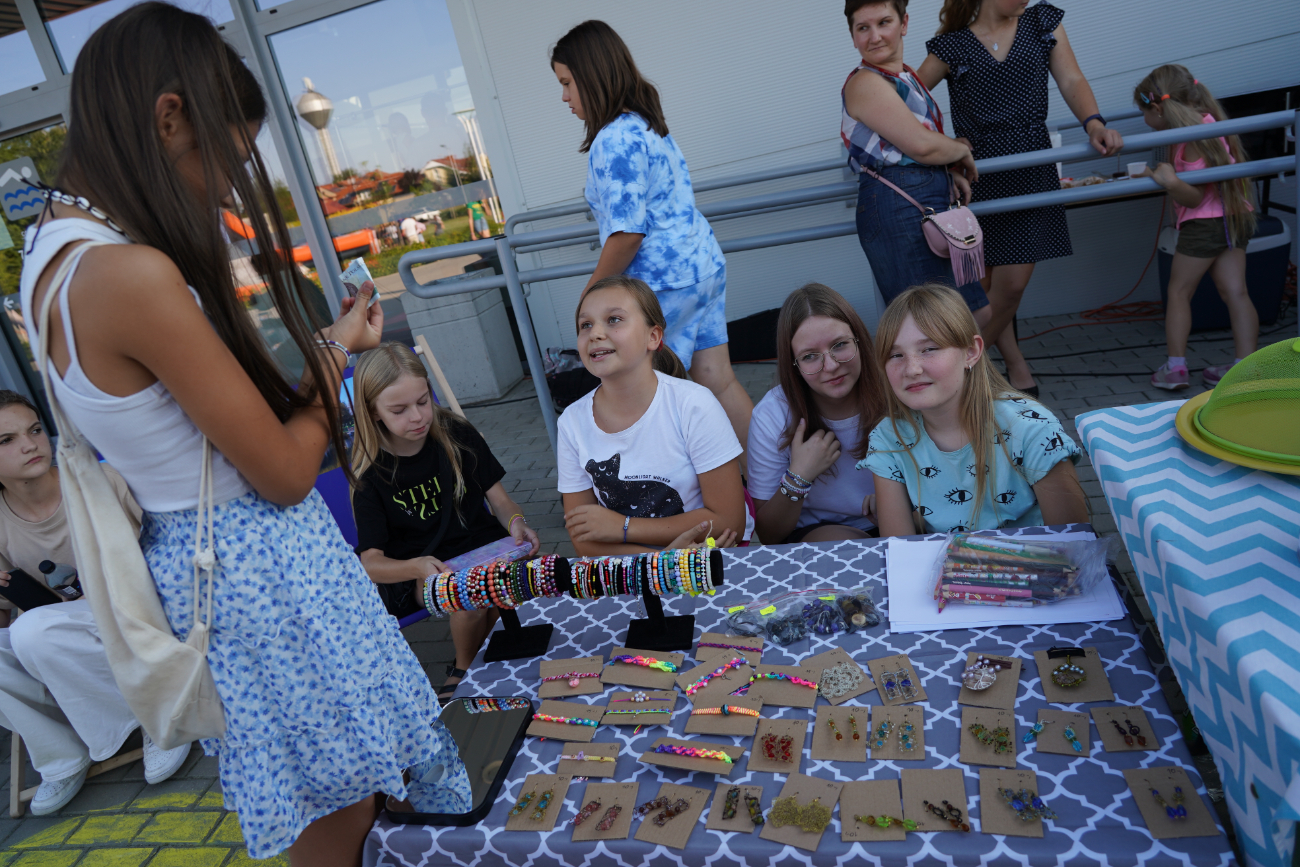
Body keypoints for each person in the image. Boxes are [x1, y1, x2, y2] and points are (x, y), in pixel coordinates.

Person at [18, 5, 451, 863]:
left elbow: (213, 429)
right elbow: (287, 469)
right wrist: (339, 356)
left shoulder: (52, 254)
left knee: (322, 791)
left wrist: (324, 356)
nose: (227, 185)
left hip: (210, 572)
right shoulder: (126, 272)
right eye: (230, 154)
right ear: (169, 116)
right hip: (261, 579)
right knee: (341, 810)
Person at [551, 20, 754, 449]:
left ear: (593, 75)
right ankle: (774, 479)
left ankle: (680, 496)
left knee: (650, 397)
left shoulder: (614, 138)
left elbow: (627, 233)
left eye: (568, 83)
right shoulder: (645, 123)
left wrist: (593, 298)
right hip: (703, 266)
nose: (564, 97)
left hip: (663, 285)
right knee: (716, 378)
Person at [920, 0, 1123, 397]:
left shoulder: (1042, 21)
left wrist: (1093, 121)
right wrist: (944, 146)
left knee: (1010, 288)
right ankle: (1012, 364)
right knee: (982, 288)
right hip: (975, 174)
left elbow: (1071, 79)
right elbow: (906, 101)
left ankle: (956, 378)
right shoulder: (952, 45)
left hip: (1031, 164)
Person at [0, 391, 190, 815]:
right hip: (70, 632)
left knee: (34, 633)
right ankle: (62, 758)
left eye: (33, 430)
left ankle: (158, 721)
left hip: (139, 609)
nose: (30, 444)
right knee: (25, 636)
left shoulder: (98, 480)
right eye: (5, 441)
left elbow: (168, 551)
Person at [349, 343, 539, 698]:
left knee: (509, 583)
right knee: (470, 594)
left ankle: (492, 660)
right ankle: (464, 667)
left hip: (480, 546)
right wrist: (418, 567)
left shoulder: (455, 434)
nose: (418, 416)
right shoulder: (371, 477)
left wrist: (516, 522)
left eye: (423, 401)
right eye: (399, 410)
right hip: (419, 569)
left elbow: (498, 499)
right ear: (373, 413)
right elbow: (371, 564)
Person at [859, 284, 1088, 536]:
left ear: (971, 351)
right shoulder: (889, 438)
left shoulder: (1031, 429)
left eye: (929, 349)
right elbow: (901, 549)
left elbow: (1075, 545)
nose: (912, 369)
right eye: (895, 355)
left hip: (1037, 567)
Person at [558, 276, 749, 556]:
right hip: (630, 574)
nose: (595, 332)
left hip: (705, 563)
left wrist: (623, 526)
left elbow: (730, 521)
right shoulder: (571, 422)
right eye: (585, 325)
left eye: (613, 319)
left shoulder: (694, 404)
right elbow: (584, 540)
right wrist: (658, 563)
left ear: (653, 337)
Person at [840, 0, 989, 323]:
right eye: (863, 28)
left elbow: (923, 145)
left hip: (920, 197)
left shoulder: (907, 78)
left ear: (904, 23)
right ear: (853, 37)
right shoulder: (864, 82)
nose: (875, 36)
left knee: (971, 314)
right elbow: (921, 146)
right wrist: (960, 150)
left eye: (884, 23)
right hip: (897, 201)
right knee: (933, 323)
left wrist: (947, 167)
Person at [1134, 65, 1257, 389]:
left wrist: (1169, 182)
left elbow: (1193, 197)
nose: (1144, 121)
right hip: (1234, 217)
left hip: (1204, 224)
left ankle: (1175, 369)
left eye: (1144, 112)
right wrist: (1155, 176)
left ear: (1159, 108)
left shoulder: (1190, 139)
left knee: (1179, 292)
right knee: (1236, 292)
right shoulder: (1208, 122)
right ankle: (1244, 368)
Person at [747, 284, 888, 544]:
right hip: (820, 534)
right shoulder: (772, 414)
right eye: (810, 356)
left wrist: (900, 505)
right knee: (845, 551)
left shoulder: (896, 388)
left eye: (840, 345)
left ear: (859, 339)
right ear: (794, 365)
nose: (831, 365)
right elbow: (769, 534)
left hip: (905, 517)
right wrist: (798, 476)